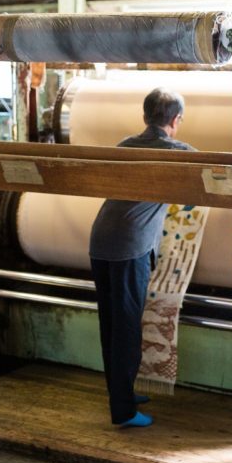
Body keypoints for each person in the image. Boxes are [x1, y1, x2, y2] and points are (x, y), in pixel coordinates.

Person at [89, 87, 195, 428]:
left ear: (144, 116)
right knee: (126, 328)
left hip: (101, 240)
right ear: (176, 120)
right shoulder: (178, 152)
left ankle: (122, 393)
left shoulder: (125, 145)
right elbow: (204, 182)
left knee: (111, 325)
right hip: (128, 248)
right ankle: (123, 411)